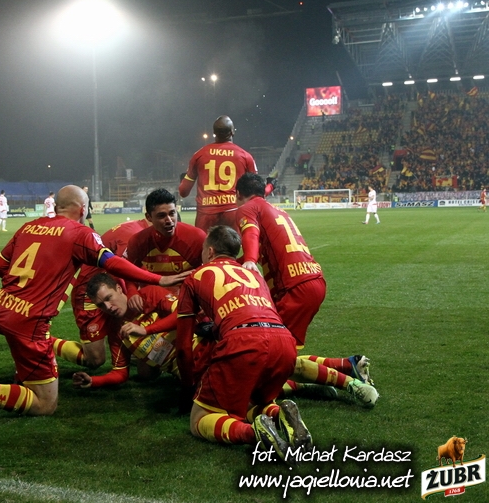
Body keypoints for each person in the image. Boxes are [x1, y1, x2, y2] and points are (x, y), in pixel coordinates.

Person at [0, 185, 188, 427]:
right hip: (29, 320)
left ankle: (23, 374)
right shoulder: (79, 233)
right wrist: (159, 279)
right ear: (82, 209)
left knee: (45, 365)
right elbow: (111, 263)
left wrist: (23, 289)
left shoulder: (29, 226)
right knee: (45, 404)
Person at [235, 173, 378, 407]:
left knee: (268, 366)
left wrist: (249, 260)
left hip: (293, 289)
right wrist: (233, 263)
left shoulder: (248, 208)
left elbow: (250, 235)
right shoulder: (276, 210)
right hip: (311, 280)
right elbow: (260, 248)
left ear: (238, 194)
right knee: (280, 355)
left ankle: (350, 384)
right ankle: (347, 365)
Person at [175, 225, 309, 462]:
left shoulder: (196, 276)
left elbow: (184, 347)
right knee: (251, 401)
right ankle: (278, 414)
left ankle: (254, 433)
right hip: (282, 341)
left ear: (210, 251)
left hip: (243, 343)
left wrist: (187, 388)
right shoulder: (254, 274)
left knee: (199, 419)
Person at [73, 273, 213, 389]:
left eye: (109, 298)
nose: (108, 307)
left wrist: (146, 330)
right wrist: (94, 380)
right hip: (188, 375)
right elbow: (120, 372)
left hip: (208, 354)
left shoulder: (149, 294)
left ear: (119, 289)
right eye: (101, 305)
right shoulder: (116, 332)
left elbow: (184, 315)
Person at [52, 218, 151, 370]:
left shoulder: (139, 229)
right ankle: (41, 340)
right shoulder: (133, 236)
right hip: (90, 293)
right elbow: (124, 270)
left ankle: (129, 350)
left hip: (111, 287)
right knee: (95, 359)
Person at [178, 115, 268, 232]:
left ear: (214, 133)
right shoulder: (245, 156)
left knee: (205, 244)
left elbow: (183, 192)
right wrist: (270, 186)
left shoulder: (199, 155)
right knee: (233, 244)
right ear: (232, 132)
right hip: (233, 213)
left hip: (206, 215)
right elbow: (258, 192)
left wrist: (184, 179)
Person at [124, 188, 206, 300]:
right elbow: (129, 273)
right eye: (161, 216)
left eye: (172, 213)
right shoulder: (137, 241)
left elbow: (213, 270)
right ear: (149, 217)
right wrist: (132, 292)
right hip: (153, 301)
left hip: (187, 301)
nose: (169, 220)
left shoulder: (197, 238)